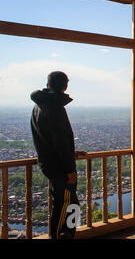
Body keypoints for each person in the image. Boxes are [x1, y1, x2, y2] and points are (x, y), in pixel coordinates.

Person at [30, 71, 86, 239]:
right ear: (65, 86)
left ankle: (67, 235)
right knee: (66, 205)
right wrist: (69, 169)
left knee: (68, 204)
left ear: (48, 85)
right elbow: (59, 140)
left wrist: (70, 153)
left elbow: (50, 139)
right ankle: (63, 235)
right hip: (60, 168)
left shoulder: (39, 106)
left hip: (51, 163)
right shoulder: (55, 108)